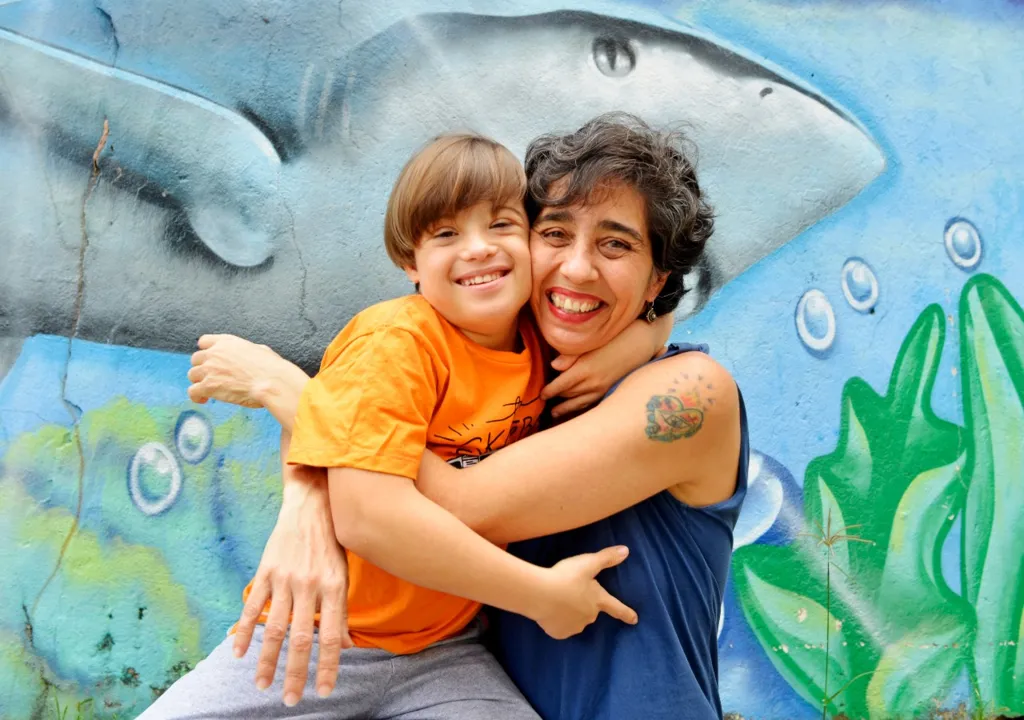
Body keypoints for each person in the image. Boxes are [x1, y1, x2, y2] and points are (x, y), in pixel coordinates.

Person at [185, 113, 747, 720]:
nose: (578, 268)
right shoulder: (524, 359)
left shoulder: (692, 393)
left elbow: (456, 501)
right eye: (555, 233)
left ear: (657, 279)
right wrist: (305, 501)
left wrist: (294, 392)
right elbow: (376, 424)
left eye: (617, 244)